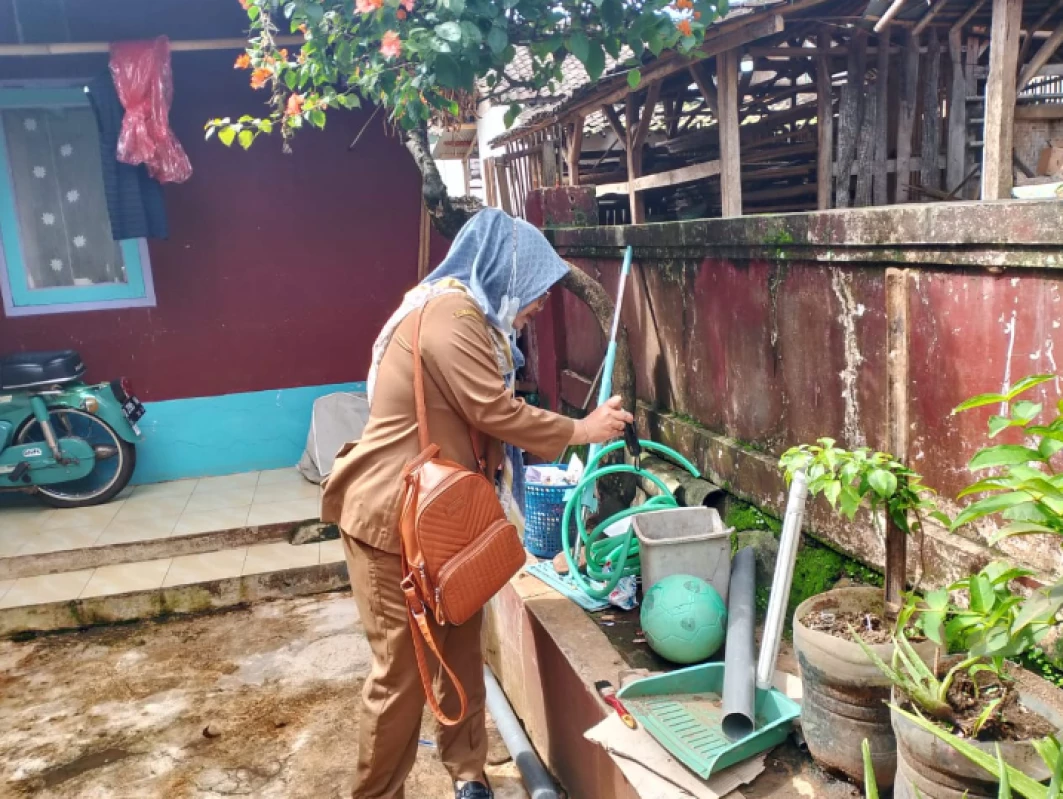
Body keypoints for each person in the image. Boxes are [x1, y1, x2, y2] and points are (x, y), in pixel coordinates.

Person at [322, 208, 632, 799]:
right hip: (392, 523)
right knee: (402, 678)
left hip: (441, 525)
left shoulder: (477, 325)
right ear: (503, 272)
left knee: (460, 655)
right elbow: (494, 412)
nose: (540, 306)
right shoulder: (450, 315)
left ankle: (468, 776)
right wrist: (583, 430)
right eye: (536, 291)